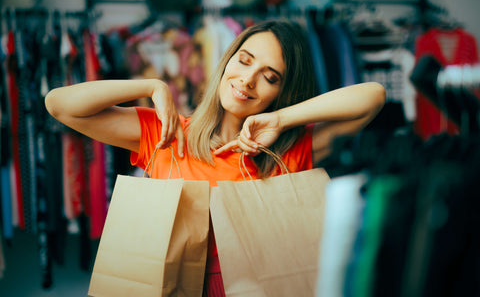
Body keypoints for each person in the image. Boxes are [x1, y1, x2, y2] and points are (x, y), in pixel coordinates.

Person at [45, 19, 385, 296]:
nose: (248, 80)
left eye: (270, 77)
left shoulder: (285, 150)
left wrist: (281, 120)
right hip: (165, 285)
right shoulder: (166, 132)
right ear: (228, 60)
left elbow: (373, 97)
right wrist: (151, 87)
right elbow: (59, 104)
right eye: (245, 60)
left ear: (282, 92)